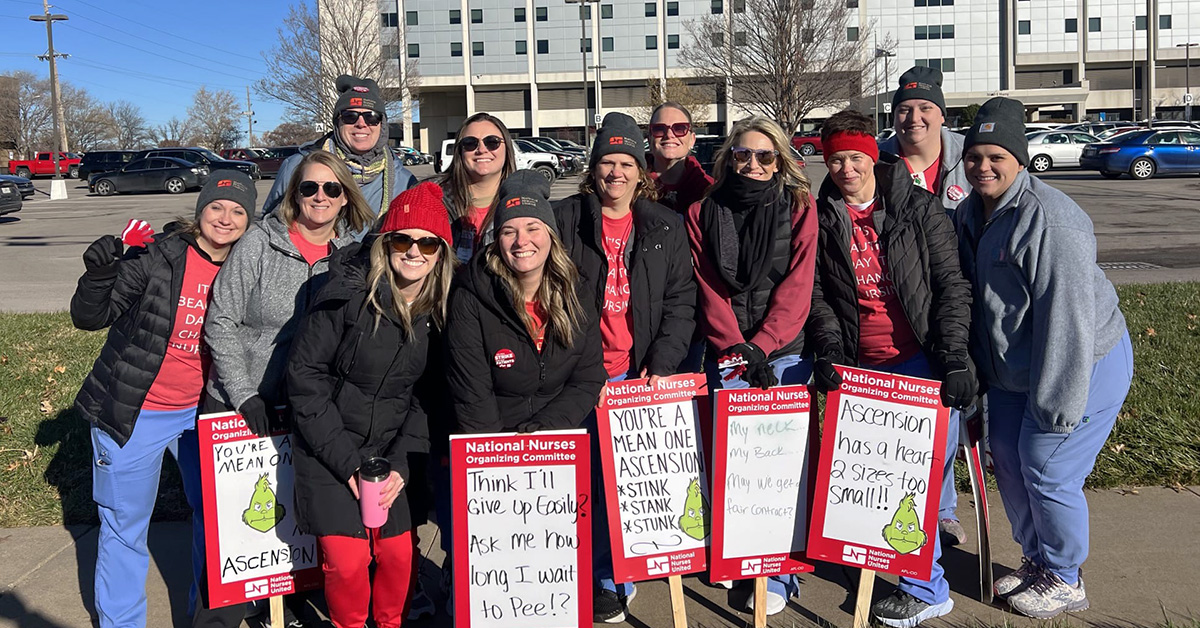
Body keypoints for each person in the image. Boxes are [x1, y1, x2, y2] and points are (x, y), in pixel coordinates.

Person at [954, 97, 1133, 619]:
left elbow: (1069, 321)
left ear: (1021, 158)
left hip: (1081, 361)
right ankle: (1036, 561)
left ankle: (1065, 576)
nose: (983, 166)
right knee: (1006, 460)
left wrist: (1057, 407)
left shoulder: (1053, 221)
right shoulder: (970, 211)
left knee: (1045, 466)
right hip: (1017, 366)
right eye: (974, 155)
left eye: (996, 156)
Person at [808, 110, 976, 627]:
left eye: (855, 157)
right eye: (835, 159)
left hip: (921, 358)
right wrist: (831, 350)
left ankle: (927, 590)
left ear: (873, 157)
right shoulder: (823, 215)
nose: (845, 169)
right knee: (879, 479)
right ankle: (905, 572)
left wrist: (952, 357)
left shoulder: (919, 210)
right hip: (864, 367)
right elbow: (819, 295)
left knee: (915, 480)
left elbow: (951, 286)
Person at [70, 171, 253, 628]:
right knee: (123, 526)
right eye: (216, 207)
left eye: (237, 211)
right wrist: (100, 272)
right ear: (200, 210)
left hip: (207, 413)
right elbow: (90, 317)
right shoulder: (159, 257)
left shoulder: (248, 266)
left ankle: (203, 613)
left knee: (214, 520)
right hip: (135, 410)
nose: (225, 219)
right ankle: (121, 622)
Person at [197, 151, 373, 627]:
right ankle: (218, 619)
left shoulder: (351, 255)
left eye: (331, 189)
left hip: (307, 408)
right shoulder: (260, 241)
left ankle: (289, 609)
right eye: (309, 188)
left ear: (345, 198)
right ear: (293, 194)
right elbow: (222, 319)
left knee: (293, 524)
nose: (320, 197)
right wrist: (243, 393)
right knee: (237, 537)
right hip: (241, 402)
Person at [285, 182, 454, 628]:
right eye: (403, 239)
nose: (414, 251)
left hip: (387, 453)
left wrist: (400, 462)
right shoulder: (345, 294)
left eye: (428, 243)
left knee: (399, 557)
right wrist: (346, 463)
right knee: (347, 560)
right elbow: (305, 379)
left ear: (441, 254)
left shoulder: (438, 313)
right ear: (385, 243)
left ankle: (390, 623)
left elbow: (425, 397)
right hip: (329, 449)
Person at [554, 112, 697, 623]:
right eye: (606, 163)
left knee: (632, 486)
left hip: (638, 377)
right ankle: (592, 575)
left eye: (626, 163)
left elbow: (682, 301)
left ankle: (619, 576)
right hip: (581, 377)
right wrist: (579, 371)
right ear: (592, 169)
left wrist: (661, 363)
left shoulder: (665, 226)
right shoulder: (564, 219)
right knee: (586, 484)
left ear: (642, 171)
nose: (615, 173)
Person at [684, 116, 817, 615]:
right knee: (734, 468)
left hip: (784, 353)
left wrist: (763, 344)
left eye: (765, 156)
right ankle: (742, 561)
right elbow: (708, 287)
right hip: (730, 355)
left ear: (780, 160)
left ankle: (780, 574)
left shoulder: (799, 206)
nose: (754, 164)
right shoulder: (702, 210)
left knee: (781, 470)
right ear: (728, 157)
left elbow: (799, 284)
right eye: (743, 154)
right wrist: (737, 348)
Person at [878, 65, 971, 547]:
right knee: (922, 417)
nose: (914, 118)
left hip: (960, 296)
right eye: (905, 109)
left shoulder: (968, 161)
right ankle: (933, 508)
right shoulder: (879, 162)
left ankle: (943, 509)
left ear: (941, 114)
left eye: (925, 109)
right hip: (905, 307)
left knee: (953, 411)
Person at [444, 168, 606, 434]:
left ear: (551, 237)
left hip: (557, 434)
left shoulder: (576, 291)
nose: (522, 241)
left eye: (533, 228)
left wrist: (542, 432)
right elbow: (472, 395)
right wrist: (505, 454)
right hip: (494, 441)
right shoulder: (471, 297)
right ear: (497, 241)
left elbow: (588, 377)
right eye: (509, 231)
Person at [262, 74, 416, 223]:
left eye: (372, 117)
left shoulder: (404, 182)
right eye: (350, 116)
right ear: (337, 123)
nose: (361, 124)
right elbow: (270, 227)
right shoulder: (297, 167)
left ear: (382, 125)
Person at [439, 111, 518, 264]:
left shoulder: (523, 201)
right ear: (459, 151)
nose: (481, 149)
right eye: (470, 143)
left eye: (492, 142)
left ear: (507, 148)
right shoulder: (432, 196)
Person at [646, 102, 713, 214]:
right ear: (649, 139)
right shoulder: (632, 187)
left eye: (680, 128)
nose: (669, 134)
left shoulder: (709, 191)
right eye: (659, 128)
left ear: (692, 139)